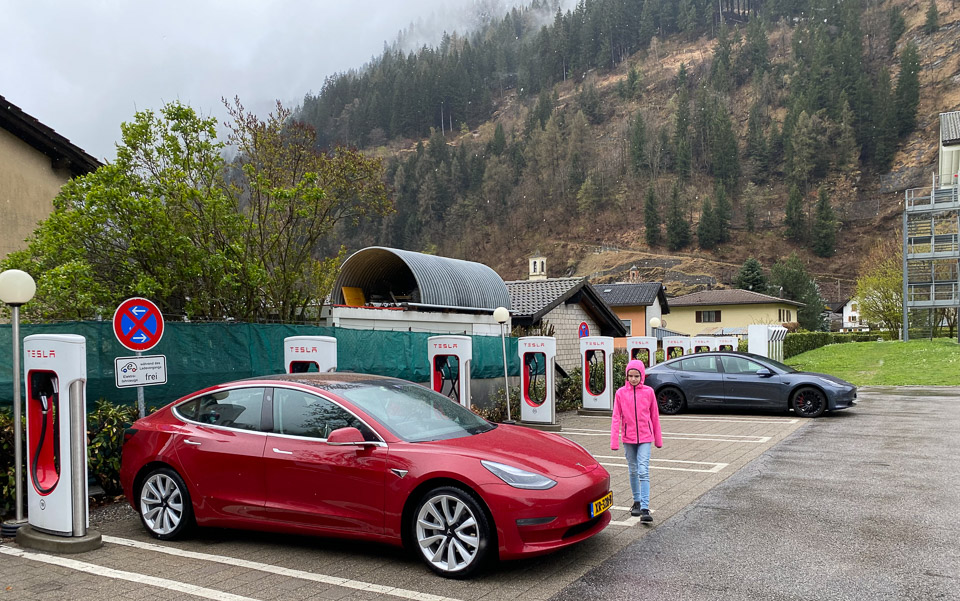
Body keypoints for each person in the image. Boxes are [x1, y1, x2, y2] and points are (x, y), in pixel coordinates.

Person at [610, 358, 662, 522]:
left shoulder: (649, 392)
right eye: (630, 376)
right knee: (632, 470)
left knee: (643, 470)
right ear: (626, 376)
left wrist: (658, 439)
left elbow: (655, 416)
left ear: (642, 376)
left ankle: (645, 508)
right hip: (628, 437)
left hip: (646, 437)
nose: (633, 379)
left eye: (636, 376)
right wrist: (614, 440)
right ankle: (637, 502)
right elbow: (615, 417)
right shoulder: (620, 393)